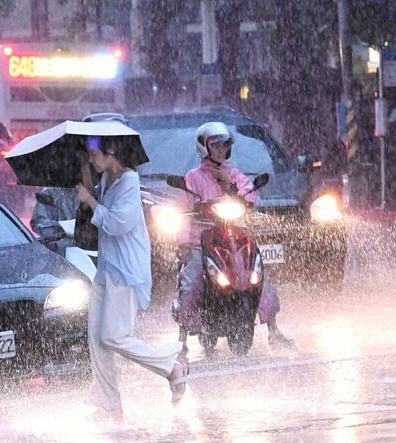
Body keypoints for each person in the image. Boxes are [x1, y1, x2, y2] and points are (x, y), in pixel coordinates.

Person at [75, 135, 187, 417]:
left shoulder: (128, 181)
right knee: (97, 339)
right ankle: (109, 403)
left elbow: (117, 223)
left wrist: (89, 200)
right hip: (105, 267)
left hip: (125, 268)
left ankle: (172, 368)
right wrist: (88, 184)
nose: (91, 159)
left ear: (111, 152)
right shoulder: (107, 181)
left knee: (114, 336)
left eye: (94, 154)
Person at [176, 122, 296, 357]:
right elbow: (183, 210)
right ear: (204, 148)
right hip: (204, 239)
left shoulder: (234, 174)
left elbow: (251, 195)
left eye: (225, 145)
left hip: (233, 236)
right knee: (191, 282)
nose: (221, 150)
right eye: (216, 145)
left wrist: (228, 183)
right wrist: (183, 243)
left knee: (260, 276)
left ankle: (274, 330)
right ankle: (181, 340)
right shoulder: (193, 178)